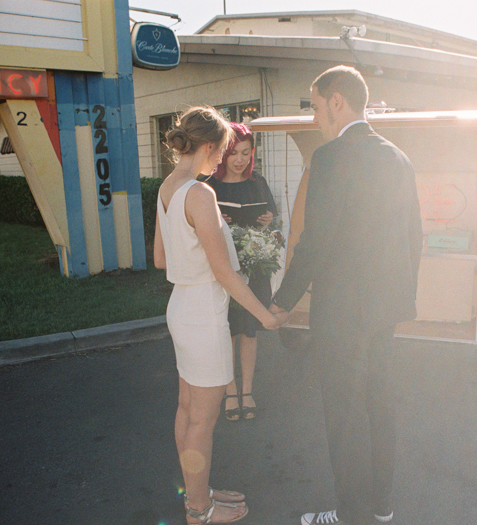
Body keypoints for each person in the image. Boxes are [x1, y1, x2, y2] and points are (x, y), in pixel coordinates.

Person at [270, 66, 423, 525]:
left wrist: (282, 300)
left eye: (315, 106)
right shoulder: (398, 156)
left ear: (337, 101)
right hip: (384, 310)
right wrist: (401, 295)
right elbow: (414, 236)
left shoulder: (331, 158)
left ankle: (349, 514)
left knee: (344, 416)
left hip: (341, 313)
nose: (315, 117)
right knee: (380, 408)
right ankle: (381, 507)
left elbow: (313, 241)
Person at [154, 106, 282, 524]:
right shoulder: (200, 193)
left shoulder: (168, 187)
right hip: (205, 314)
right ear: (209, 146)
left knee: (187, 408)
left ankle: (198, 493)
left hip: (181, 306)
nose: (223, 159)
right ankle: (199, 510)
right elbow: (224, 273)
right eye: (223, 150)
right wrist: (266, 315)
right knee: (202, 422)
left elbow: (159, 258)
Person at [202, 122, 278, 421]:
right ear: (223, 154)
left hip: (255, 269)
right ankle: (230, 392)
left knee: (249, 331)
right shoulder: (210, 185)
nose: (240, 160)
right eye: (234, 153)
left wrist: (268, 222)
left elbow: (274, 227)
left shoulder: (258, 182)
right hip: (224, 270)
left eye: (246, 153)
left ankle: (248, 391)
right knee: (228, 332)